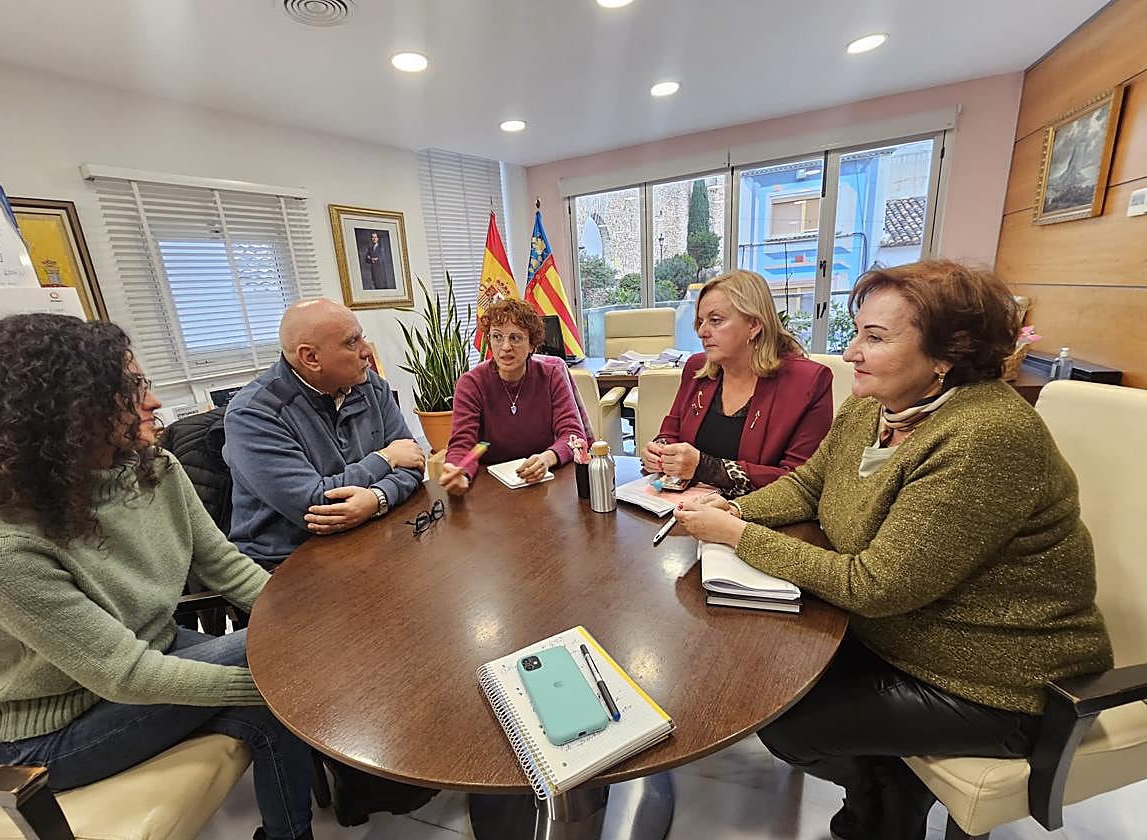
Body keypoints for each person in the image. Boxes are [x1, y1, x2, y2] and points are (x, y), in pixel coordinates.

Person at [673, 260, 1112, 840]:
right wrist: (737, 510)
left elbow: (875, 586)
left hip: (999, 679)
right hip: (906, 633)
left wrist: (738, 536)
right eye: (857, 332)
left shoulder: (985, 436)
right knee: (761, 670)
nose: (851, 352)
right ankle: (885, 800)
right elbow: (808, 486)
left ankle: (885, 801)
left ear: (947, 354)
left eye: (875, 338)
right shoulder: (872, 406)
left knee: (787, 724)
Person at [0, 314, 314, 840]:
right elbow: (125, 675)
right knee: (277, 663)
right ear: (64, 412)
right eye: (129, 390)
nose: (154, 401)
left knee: (286, 664)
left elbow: (226, 566)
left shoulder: (153, 468)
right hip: (55, 734)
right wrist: (284, 680)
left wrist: (302, 622)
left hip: (152, 657)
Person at [223, 298, 425, 565]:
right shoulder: (254, 415)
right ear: (311, 358)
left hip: (367, 534)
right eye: (352, 342)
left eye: (362, 337)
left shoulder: (370, 387)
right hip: (288, 561)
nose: (367, 350)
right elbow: (317, 507)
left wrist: (377, 498)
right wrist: (387, 458)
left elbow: (413, 461)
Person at [643, 270, 833, 494]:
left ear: (754, 325)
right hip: (684, 506)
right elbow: (671, 432)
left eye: (715, 320)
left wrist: (706, 467)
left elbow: (801, 482)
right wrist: (660, 451)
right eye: (700, 321)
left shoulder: (808, 382)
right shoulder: (697, 368)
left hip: (754, 512)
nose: (702, 332)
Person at [440, 298, 586, 494]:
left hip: (544, 482)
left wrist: (547, 458)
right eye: (497, 337)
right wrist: (459, 471)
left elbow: (572, 435)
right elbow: (463, 444)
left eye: (515, 338)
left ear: (532, 345)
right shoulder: (471, 384)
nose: (506, 346)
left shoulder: (551, 375)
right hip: (491, 487)